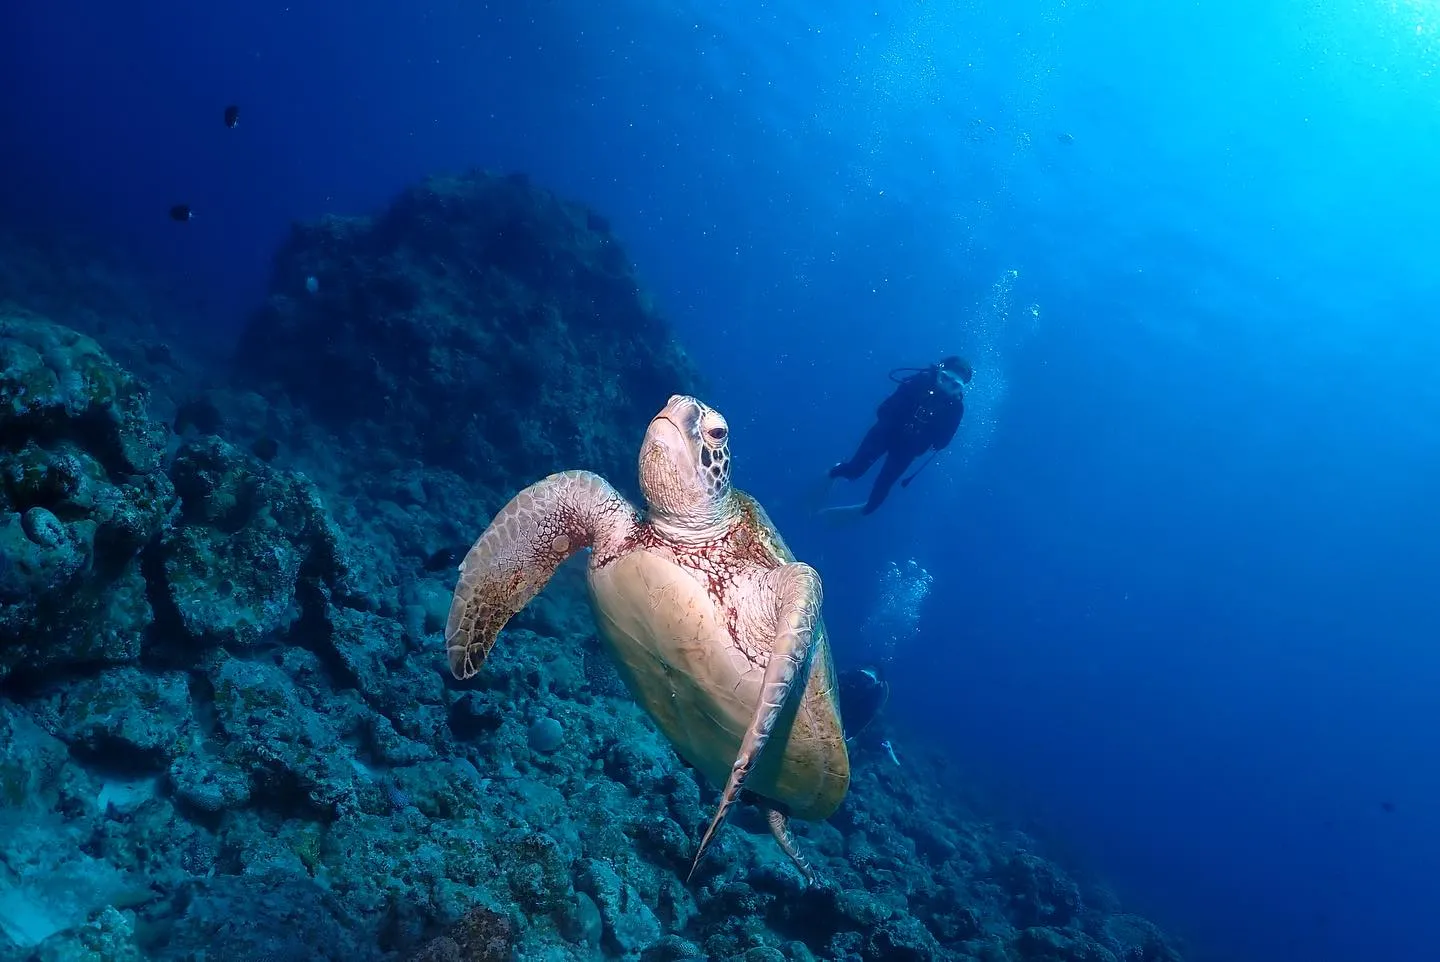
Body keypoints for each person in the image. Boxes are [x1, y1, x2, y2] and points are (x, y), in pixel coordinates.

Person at [820, 355, 972, 517]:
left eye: (955, 385)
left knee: (879, 494)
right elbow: (885, 409)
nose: (947, 386)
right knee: (854, 471)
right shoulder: (920, 382)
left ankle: (854, 512)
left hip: (907, 450)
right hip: (884, 434)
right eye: (945, 378)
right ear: (939, 371)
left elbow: (942, 442)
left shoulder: (955, 408)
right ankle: (828, 476)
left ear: (961, 389)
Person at [837, 664, 890, 741]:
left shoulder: (871, 702)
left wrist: (850, 734)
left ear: (876, 684)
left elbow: (863, 720)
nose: (865, 682)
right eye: (864, 676)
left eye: (870, 680)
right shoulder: (849, 679)